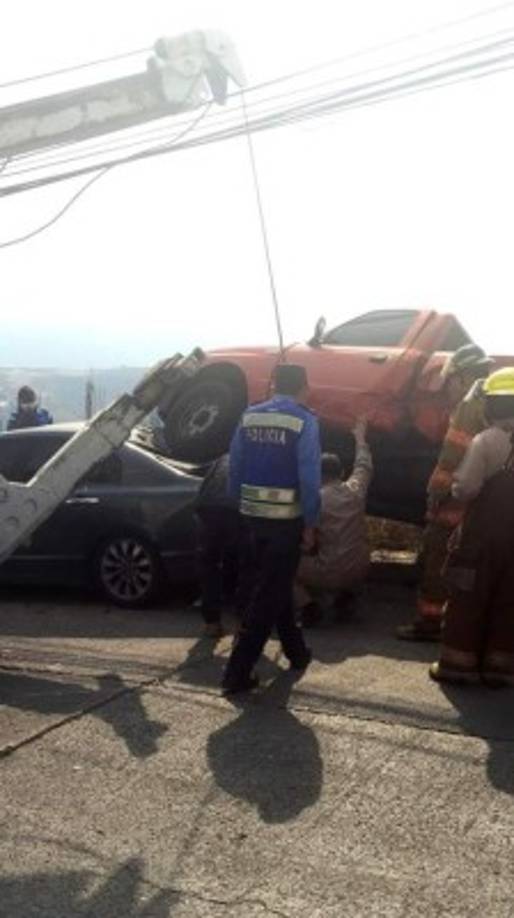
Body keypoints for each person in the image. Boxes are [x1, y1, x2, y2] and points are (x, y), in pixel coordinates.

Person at [221, 363, 321, 695]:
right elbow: (309, 477)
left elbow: (235, 466)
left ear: (274, 385)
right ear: (304, 388)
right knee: (268, 594)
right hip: (285, 523)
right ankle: (237, 672)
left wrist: (238, 506)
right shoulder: (304, 421)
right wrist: (310, 522)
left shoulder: (250, 416)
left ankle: (297, 652)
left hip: (250, 519)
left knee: (272, 587)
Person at [397, 343, 493, 641]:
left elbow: (452, 456)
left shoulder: (469, 406)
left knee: (438, 563)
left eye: (449, 381)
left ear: (461, 377)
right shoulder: (494, 403)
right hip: (486, 505)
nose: (447, 389)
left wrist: (435, 491)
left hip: (455, 505)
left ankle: (429, 624)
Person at [429, 367, 514, 685]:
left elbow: (465, 488)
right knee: (508, 599)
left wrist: (451, 486)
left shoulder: (487, 440)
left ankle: (458, 664)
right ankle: (499, 666)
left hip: (482, 536)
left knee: (468, 595)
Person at [295, 418, 373, 627]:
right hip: (360, 569)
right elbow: (363, 465)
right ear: (342, 473)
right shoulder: (356, 490)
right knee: (351, 553)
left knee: (284, 566)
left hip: (330, 571)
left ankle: (308, 607)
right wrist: (360, 437)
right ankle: (346, 599)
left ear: (317, 475)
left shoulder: (314, 501)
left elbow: (307, 543)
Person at [195, 453, 241, 638]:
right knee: (246, 565)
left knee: (209, 564)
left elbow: (204, 485)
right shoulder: (258, 456)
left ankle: (211, 623)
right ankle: (242, 625)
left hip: (208, 509)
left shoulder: (223, 458)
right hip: (236, 510)